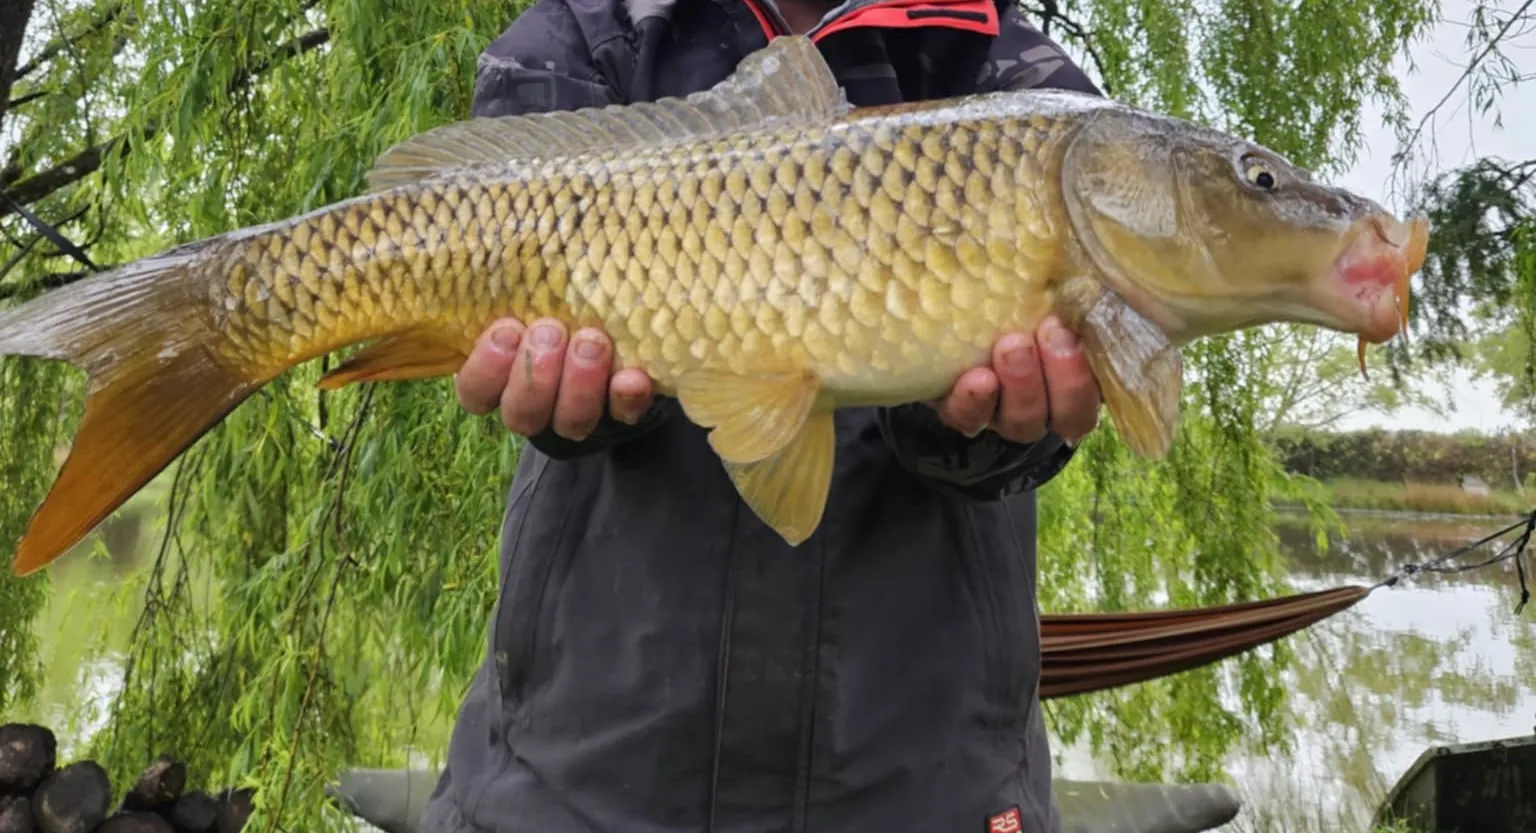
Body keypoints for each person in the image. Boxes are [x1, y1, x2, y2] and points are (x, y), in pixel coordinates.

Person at [419, 0, 1106, 830]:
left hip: (924, 781)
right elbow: (508, 274)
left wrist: (979, 428)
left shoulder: (1015, 77)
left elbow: (1048, 411)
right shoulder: (590, 33)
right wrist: (585, 404)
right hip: (577, 778)